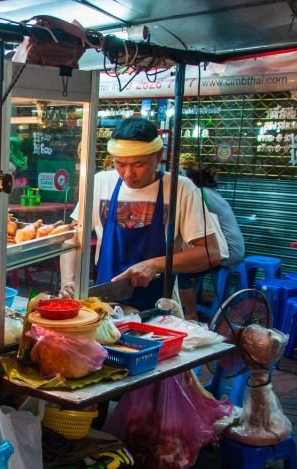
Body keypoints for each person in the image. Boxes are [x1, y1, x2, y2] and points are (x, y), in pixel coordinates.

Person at [60, 117, 222, 311]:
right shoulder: (101, 183)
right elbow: (73, 238)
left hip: (157, 308)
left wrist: (155, 265)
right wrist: (68, 281)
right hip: (105, 306)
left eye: (138, 164)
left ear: (158, 155)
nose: (128, 173)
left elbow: (211, 253)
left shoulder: (180, 189)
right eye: (119, 164)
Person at [177, 164, 246, 320]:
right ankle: (189, 304)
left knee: (180, 271)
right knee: (190, 265)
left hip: (227, 251)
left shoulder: (200, 195)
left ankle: (190, 315)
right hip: (235, 248)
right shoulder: (212, 193)